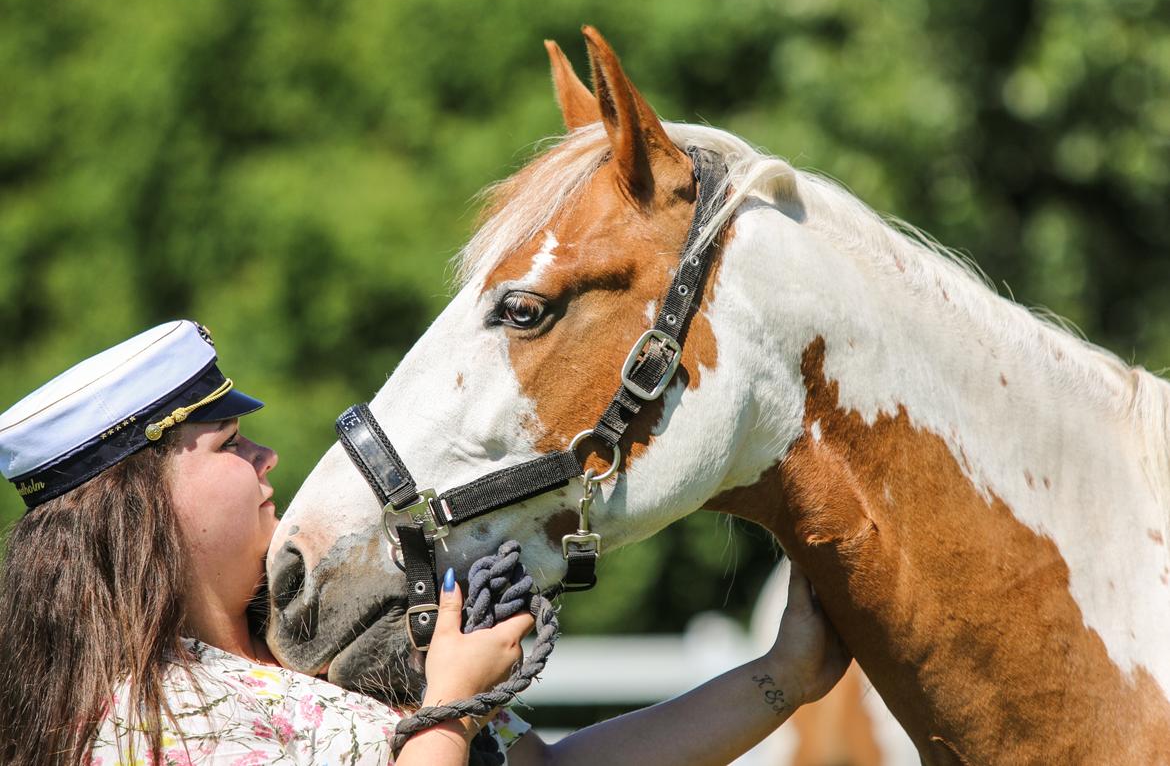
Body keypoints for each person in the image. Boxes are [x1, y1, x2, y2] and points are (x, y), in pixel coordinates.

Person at [0, 320, 850, 765]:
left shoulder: (317, 656)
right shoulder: (129, 726)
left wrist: (784, 677)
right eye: (228, 446)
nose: (268, 458)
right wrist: (448, 708)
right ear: (137, 504)